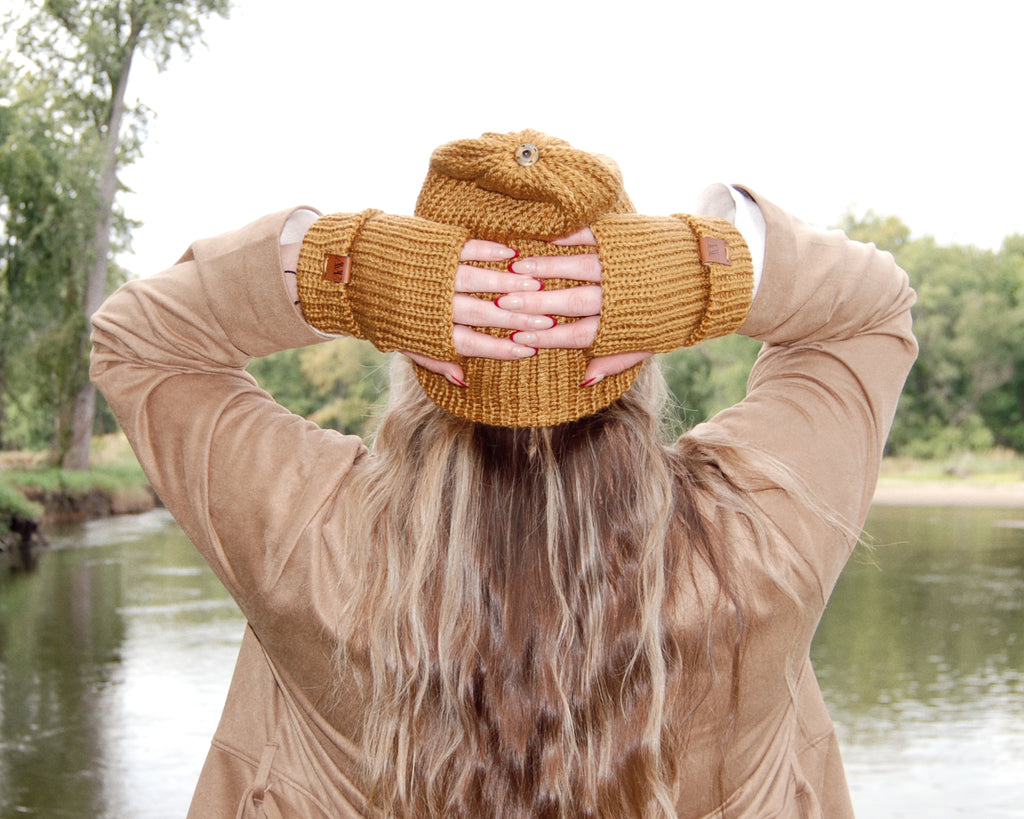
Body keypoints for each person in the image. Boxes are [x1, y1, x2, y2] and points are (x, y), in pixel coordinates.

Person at [90, 130, 917, 818]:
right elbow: (872, 313)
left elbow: (137, 341)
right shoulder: (756, 545)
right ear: (640, 345)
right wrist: (709, 266)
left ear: (418, 350)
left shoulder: (315, 541)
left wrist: (342, 268)